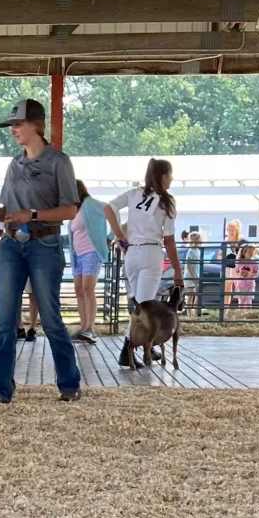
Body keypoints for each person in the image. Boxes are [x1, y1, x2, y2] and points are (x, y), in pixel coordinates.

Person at [0, 98, 82, 404]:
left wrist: (31, 215)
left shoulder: (59, 161)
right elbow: (7, 208)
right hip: (11, 244)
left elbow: (70, 209)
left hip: (45, 243)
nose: (13, 130)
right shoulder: (13, 164)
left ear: (36, 125)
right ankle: (0, 388)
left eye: (17, 124)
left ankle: (69, 383)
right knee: (5, 318)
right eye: (12, 125)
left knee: (50, 317)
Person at [104, 158, 184, 369]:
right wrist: (177, 268)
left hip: (132, 252)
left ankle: (144, 344)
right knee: (145, 306)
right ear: (164, 176)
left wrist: (120, 235)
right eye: (170, 175)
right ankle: (128, 349)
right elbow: (169, 239)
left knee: (138, 302)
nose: (172, 180)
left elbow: (108, 208)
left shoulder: (134, 193)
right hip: (151, 252)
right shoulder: (167, 201)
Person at [68, 180, 109, 344]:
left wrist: (111, 237)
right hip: (77, 254)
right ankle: (83, 326)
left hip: (92, 252)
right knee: (79, 289)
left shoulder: (92, 204)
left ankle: (90, 328)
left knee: (87, 288)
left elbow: (111, 211)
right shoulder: (74, 210)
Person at [0, 221, 39, 340]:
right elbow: (1, 221)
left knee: (32, 293)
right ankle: (19, 327)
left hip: (33, 245)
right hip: (12, 243)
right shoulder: (9, 205)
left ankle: (32, 327)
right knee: (14, 293)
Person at [221, 219, 246, 308]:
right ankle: (225, 311)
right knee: (227, 291)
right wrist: (225, 257)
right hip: (228, 268)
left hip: (240, 269)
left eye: (232, 230)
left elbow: (252, 251)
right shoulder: (225, 242)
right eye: (228, 230)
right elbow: (219, 256)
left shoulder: (243, 242)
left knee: (240, 290)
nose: (230, 232)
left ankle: (242, 311)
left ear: (237, 230)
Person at [234, 244, 259, 310]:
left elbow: (256, 273)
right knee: (241, 301)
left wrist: (251, 274)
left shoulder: (254, 263)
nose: (251, 254)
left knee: (248, 301)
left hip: (249, 285)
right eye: (249, 252)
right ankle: (241, 313)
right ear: (244, 253)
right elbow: (236, 272)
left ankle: (248, 313)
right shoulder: (239, 262)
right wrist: (240, 274)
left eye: (252, 252)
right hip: (240, 285)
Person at [183, 231, 203, 315]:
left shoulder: (198, 251)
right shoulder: (191, 251)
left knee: (197, 295)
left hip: (196, 276)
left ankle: (195, 313)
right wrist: (193, 277)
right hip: (190, 277)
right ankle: (189, 314)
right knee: (190, 296)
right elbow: (188, 266)